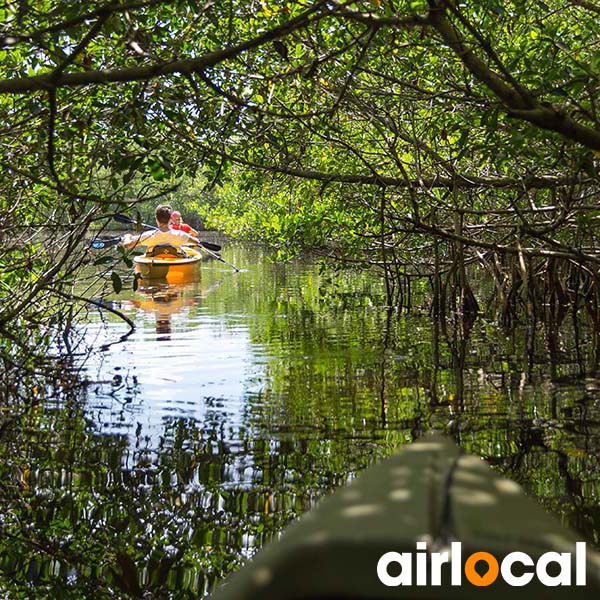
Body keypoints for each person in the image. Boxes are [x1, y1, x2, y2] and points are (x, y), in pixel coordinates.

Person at [122, 204, 199, 251]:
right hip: (175, 260)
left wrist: (127, 237)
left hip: (154, 264)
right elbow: (196, 242)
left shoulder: (148, 235)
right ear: (170, 219)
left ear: (156, 219)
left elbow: (128, 245)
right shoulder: (181, 235)